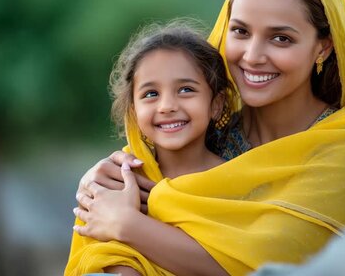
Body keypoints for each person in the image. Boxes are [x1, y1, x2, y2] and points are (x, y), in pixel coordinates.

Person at [69, 0, 345, 276]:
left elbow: (270, 262)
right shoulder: (200, 135)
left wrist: (130, 226)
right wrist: (100, 185)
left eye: (280, 38)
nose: (252, 56)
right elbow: (104, 234)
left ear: (323, 46)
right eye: (241, 31)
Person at [65, 22, 236, 275]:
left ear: (216, 104)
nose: (167, 105)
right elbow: (100, 254)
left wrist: (129, 225)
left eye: (186, 90)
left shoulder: (236, 182)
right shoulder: (117, 182)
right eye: (150, 94)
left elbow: (242, 261)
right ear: (133, 110)